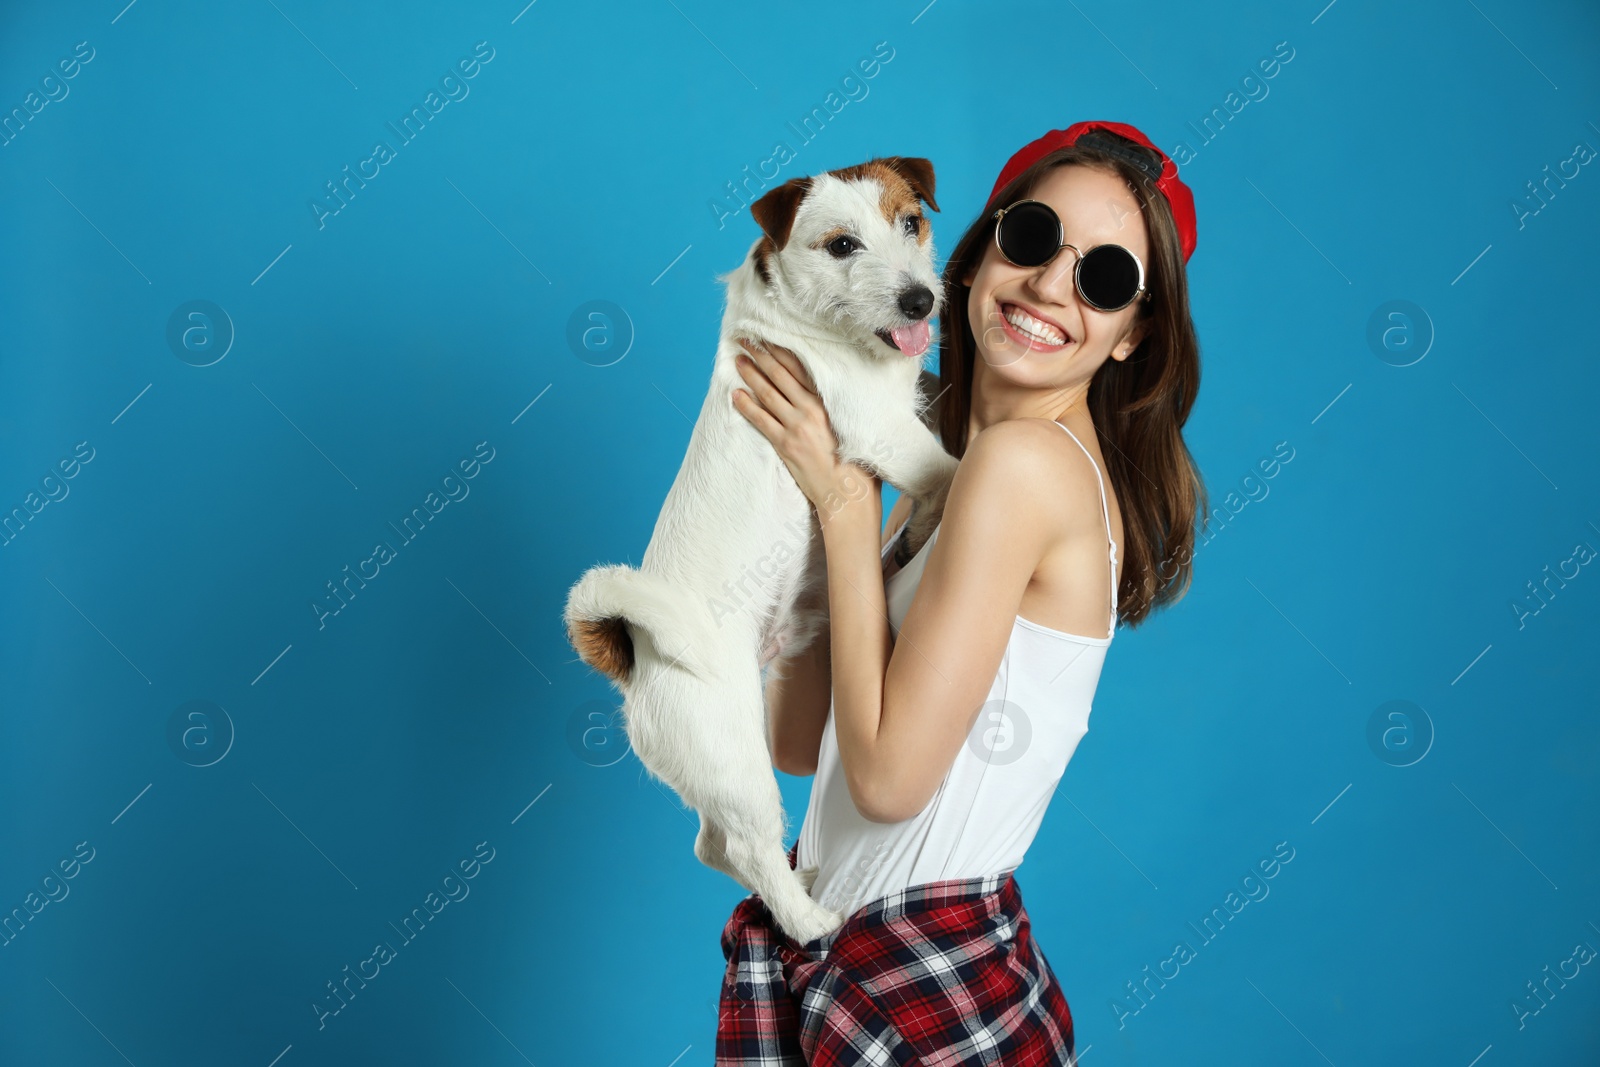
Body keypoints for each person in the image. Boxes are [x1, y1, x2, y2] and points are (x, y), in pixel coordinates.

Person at [720, 120, 1207, 1065]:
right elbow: (796, 738)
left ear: (1129, 335)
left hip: (921, 987)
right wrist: (828, 504)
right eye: (1033, 239)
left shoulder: (1026, 464)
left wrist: (843, 500)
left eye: (1104, 279)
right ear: (980, 249)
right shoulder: (956, 470)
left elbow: (890, 778)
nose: (1051, 286)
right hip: (857, 962)